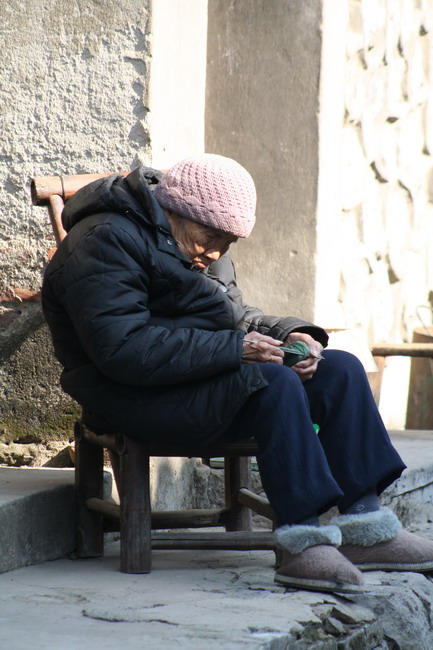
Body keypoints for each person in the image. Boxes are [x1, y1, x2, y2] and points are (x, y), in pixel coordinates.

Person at [42, 153, 433, 594]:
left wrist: (293, 338)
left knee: (338, 368)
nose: (216, 253)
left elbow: (233, 316)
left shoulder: (198, 246)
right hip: (130, 395)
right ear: (175, 210)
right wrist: (236, 349)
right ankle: (302, 544)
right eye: (211, 238)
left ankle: (366, 530)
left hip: (198, 381)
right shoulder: (104, 241)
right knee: (273, 381)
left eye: (228, 244)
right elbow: (123, 349)